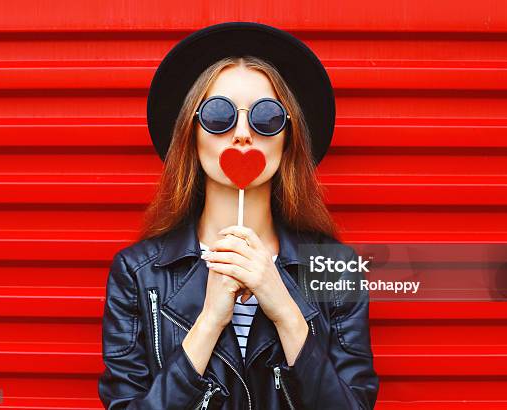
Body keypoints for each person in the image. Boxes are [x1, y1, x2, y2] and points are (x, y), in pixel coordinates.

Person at [98, 22, 379, 410]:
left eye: (266, 117)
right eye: (219, 115)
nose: (243, 133)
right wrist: (210, 320)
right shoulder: (138, 274)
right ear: (191, 134)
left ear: (288, 137)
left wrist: (286, 311)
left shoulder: (334, 268)